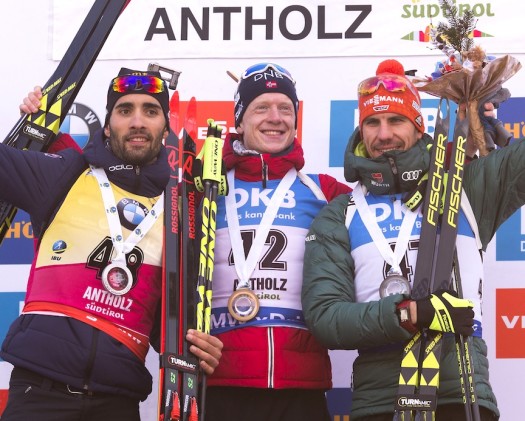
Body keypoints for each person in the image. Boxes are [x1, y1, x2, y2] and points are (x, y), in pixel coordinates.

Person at [301, 59, 520, 420]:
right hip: (379, 402)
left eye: (396, 120)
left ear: (419, 127)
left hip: (460, 395)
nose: (383, 134)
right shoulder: (339, 213)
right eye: (372, 122)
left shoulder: (467, 186)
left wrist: (498, 133)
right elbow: (326, 317)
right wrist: (408, 314)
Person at [0, 68, 223, 421]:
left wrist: (195, 348)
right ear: (107, 125)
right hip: (40, 393)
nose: (137, 121)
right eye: (125, 110)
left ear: (166, 129)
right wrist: (34, 127)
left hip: (117, 403)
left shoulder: (180, 209)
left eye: (151, 111)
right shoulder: (65, 173)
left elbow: (169, 324)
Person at [204, 63, 352, 421]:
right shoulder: (206, 191)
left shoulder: (325, 192)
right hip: (221, 383)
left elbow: (398, 202)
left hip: (302, 389)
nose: (276, 118)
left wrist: (471, 143)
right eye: (261, 108)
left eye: (286, 108)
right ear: (239, 121)